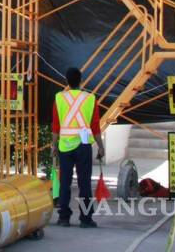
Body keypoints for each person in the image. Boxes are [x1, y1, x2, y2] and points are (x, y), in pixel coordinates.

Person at [52, 67, 105, 228]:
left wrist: (53, 146)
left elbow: (56, 125)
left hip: (65, 146)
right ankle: (86, 218)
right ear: (81, 81)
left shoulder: (59, 98)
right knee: (84, 183)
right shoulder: (90, 99)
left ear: (67, 81)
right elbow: (95, 126)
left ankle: (64, 218)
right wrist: (101, 147)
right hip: (83, 146)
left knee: (64, 182)